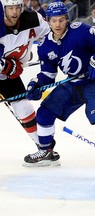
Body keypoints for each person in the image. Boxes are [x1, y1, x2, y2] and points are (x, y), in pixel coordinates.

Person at [23, 1, 95, 166]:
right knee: (45, 113)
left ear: (67, 19)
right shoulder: (45, 46)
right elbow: (48, 73)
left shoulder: (80, 31)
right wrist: (37, 83)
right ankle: (47, 151)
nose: (58, 24)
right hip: (73, 83)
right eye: (53, 20)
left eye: (61, 20)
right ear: (48, 21)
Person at [0, 0, 51, 162]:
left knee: (23, 106)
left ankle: (44, 148)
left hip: (8, 77)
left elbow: (52, 35)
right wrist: (6, 66)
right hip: (8, 72)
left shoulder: (33, 19)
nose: (14, 12)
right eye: (10, 8)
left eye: (17, 7)